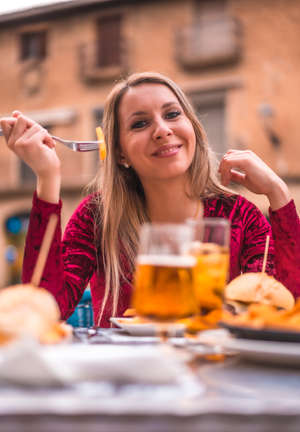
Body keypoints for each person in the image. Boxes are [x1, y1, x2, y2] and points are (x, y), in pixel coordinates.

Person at [1, 72, 300, 327]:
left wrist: (279, 194)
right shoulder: (98, 215)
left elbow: (285, 308)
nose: (162, 130)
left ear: (192, 129)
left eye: (172, 114)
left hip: (221, 380)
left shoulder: (239, 216)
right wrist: (48, 176)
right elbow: (46, 308)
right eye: (139, 124)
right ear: (119, 152)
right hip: (129, 385)